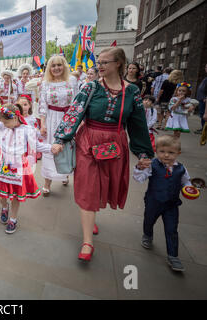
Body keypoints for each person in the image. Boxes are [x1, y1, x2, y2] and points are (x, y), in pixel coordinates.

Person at [53, 47, 154, 262]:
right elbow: (74, 113)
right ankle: (87, 241)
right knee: (88, 187)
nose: (99, 66)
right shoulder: (90, 87)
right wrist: (61, 139)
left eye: (104, 62)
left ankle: (89, 217)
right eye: (98, 62)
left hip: (115, 144)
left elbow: (138, 124)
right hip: (88, 142)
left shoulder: (133, 92)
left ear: (118, 63)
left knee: (103, 185)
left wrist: (143, 152)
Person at [0, 104, 59, 234]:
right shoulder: (3, 126)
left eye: (6, 122)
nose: (4, 124)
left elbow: (36, 145)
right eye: (3, 122)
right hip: (2, 163)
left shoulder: (27, 130)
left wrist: (50, 148)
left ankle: (13, 219)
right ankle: (4, 206)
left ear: (15, 117)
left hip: (19, 165)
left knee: (15, 194)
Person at [134, 135, 193, 272]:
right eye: (162, 151)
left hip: (171, 204)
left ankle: (173, 256)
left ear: (178, 153)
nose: (166, 155)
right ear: (156, 151)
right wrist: (139, 168)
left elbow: (186, 181)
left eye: (171, 152)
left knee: (172, 229)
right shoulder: (152, 165)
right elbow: (139, 179)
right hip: (153, 202)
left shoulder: (181, 169)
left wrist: (188, 188)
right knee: (149, 220)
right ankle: (147, 235)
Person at [38, 55, 79, 196]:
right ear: (49, 68)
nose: (56, 68)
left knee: (66, 148)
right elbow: (42, 105)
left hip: (67, 120)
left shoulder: (72, 81)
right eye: (53, 66)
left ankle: (64, 174)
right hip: (50, 119)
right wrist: (42, 124)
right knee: (50, 148)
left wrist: (74, 123)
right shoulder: (45, 83)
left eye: (59, 65)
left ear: (64, 66)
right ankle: (47, 182)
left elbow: (76, 103)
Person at [195, 63, 207, 133]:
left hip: (204, 100)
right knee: (202, 114)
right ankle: (203, 128)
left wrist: (205, 97)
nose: (205, 68)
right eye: (205, 67)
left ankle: (204, 129)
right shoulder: (205, 78)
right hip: (201, 99)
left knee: (204, 114)